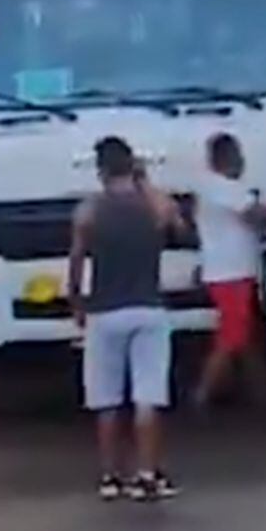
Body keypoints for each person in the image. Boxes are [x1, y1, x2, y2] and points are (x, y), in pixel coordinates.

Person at [68, 137, 184, 502]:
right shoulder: (153, 205)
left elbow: (75, 261)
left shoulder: (88, 211)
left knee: (106, 399)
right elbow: (178, 226)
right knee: (148, 397)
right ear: (132, 165)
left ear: (99, 168)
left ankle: (110, 476)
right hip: (148, 308)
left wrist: (77, 303)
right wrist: (144, 181)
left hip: (104, 312)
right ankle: (147, 475)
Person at [193, 134, 266, 410]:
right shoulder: (221, 187)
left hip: (236, 272)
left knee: (249, 338)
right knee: (232, 337)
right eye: (238, 155)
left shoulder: (218, 188)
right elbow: (257, 213)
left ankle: (262, 396)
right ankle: (202, 396)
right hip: (230, 274)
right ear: (227, 158)